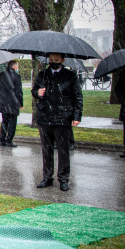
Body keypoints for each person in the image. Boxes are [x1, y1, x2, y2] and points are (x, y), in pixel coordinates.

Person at [33, 53, 83, 191]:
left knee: (63, 150)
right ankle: (47, 177)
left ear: (62, 60)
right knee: (46, 149)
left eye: (56, 60)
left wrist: (76, 116)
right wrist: (38, 93)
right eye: (51, 60)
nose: (53, 62)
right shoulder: (43, 75)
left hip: (63, 117)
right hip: (45, 117)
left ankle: (63, 178)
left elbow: (77, 97)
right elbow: (34, 90)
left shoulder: (70, 76)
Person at [0, 60, 24, 147]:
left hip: (3, 102)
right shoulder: (17, 77)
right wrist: (20, 103)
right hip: (13, 103)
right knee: (12, 122)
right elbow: (19, 91)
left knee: (4, 121)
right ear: (15, 67)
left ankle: (2, 140)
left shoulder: (0, 75)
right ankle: (9, 140)